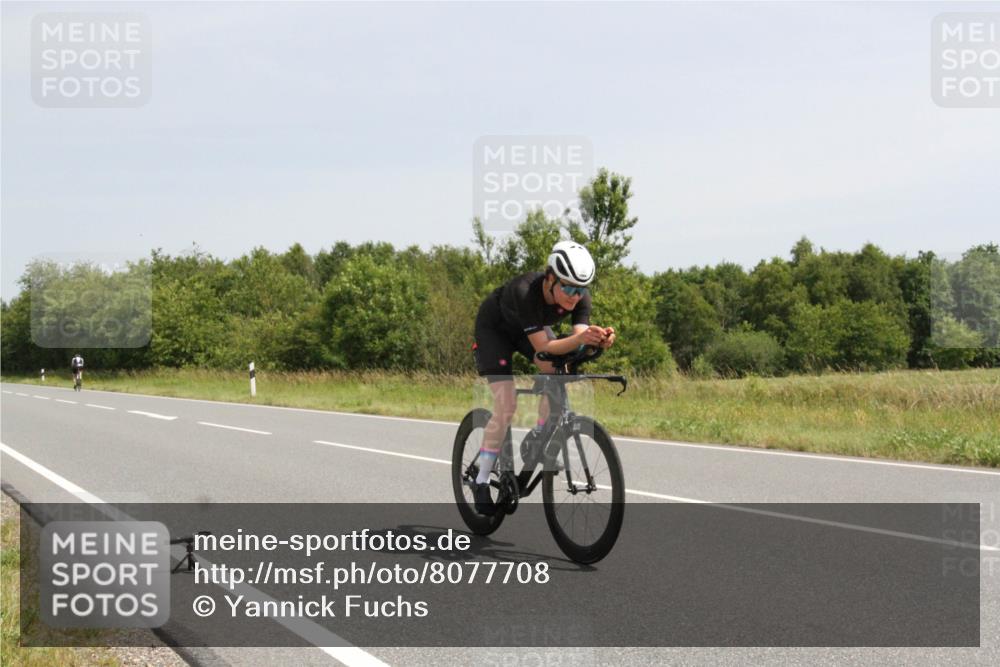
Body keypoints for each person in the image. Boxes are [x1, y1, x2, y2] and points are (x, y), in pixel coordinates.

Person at [471, 241, 616, 515]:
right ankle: (480, 480)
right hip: (496, 331)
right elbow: (544, 348)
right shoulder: (525, 292)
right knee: (507, 404)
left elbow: (577, 342)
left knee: (557, 371)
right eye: (569, 288)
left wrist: (598, 341)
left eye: (581, 289)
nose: (575, 296)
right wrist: (581, 339)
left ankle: (538, 433)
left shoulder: (579, 296)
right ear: (550, 278)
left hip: (530, 331)